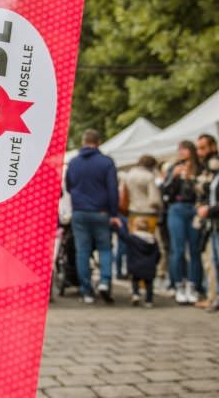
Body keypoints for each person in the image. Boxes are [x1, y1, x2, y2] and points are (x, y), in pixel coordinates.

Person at [66, 129, 121, 304]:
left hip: (80, 212)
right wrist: (114, 213)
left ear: (83, 141)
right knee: (105, 249)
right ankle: (104, 281)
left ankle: (86, 290)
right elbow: (113, 190)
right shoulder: (106, 163)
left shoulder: (73, 163)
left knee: (82, 251)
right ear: (99, 142)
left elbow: (68, 187)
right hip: (101, 212)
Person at [162, 141, 202, 305]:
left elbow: (202, 190)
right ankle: (178, 284)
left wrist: (192, 179)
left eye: (184, 149)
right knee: (177, 249)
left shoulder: (199, 167)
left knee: (194, 249)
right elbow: (165, 191)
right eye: (179, 150)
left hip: (194, 208)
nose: (181, 152)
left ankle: (193, 286)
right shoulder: (174, 167)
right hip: (176, 207)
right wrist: (174, 177)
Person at [195, 134, 219, 311]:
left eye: (203, 148)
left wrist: (209, 210)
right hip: (212, 224)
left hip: (214, 218)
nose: (200, 153)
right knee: (214, 261)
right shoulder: (209, 171)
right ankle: (215, 296)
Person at [117, 217, 161, 307]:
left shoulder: (132, 238)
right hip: (150, 267)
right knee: (149, 284)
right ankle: (149, 300)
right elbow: (158, 254)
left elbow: (122, 236)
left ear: (135, 227)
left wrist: (118, 226)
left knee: (135, 280)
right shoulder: (153, 239)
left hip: (135, 265)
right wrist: (155, 263)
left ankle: (136, 294)